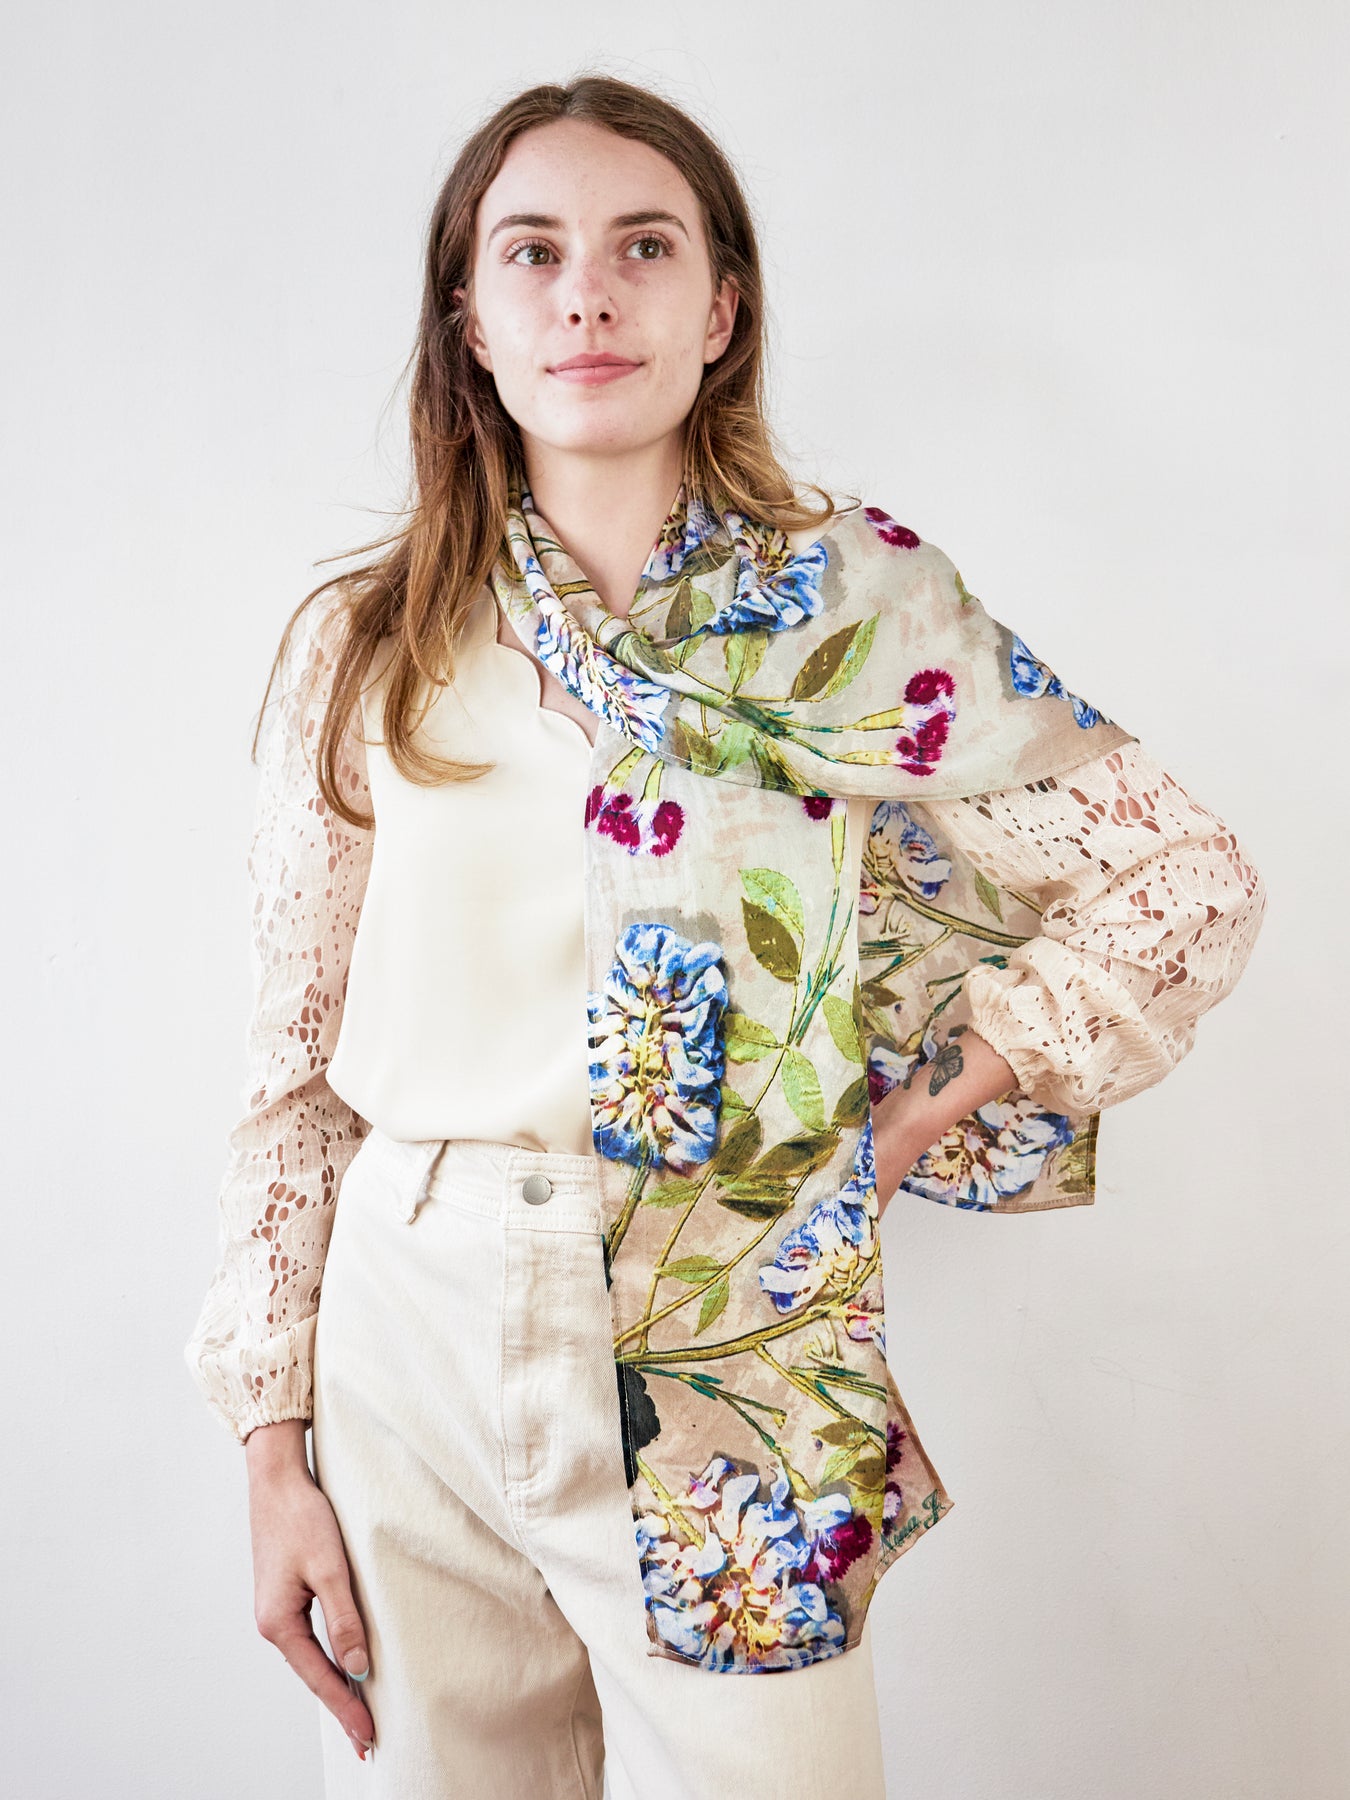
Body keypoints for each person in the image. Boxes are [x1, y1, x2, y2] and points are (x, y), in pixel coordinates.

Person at [184, 74, 1268, 1799]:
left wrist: (909, 1117)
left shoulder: (857, 608)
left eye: (642, 247)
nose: (586, 296)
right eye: (531, 254)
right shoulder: (366, 637)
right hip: (408, 1307)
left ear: (720, 309)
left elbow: (1183, 879)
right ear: (470, 321)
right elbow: (292, 1069)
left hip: (736, 1301)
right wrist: (269, 1451)